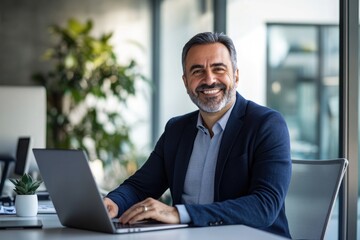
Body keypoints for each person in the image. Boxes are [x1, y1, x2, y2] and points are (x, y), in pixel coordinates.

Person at [104, 32, 292, 238]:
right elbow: (140, 186)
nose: (209, 80)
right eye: (197, 71)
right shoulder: (176, 129)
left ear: (236, 75)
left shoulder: (267, 125)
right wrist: (113, 202)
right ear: (186, 82)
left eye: (219, 69)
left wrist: (180, 213)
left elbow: (264, 206)